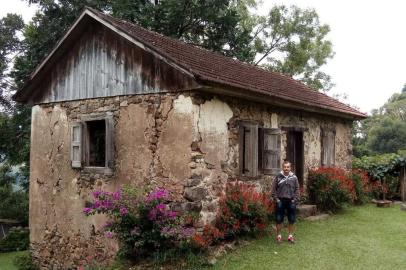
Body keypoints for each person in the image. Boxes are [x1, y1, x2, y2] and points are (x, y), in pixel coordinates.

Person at [271, 160, 300, 243]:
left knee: (292, 219)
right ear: (282, 167)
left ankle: (290, 236)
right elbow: (273, 189)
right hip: (280, 200)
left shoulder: (294, 177)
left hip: (291, 201)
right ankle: (279, 236)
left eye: (288, 167)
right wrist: (276, 199)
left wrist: (295, 199)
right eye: (285, 167)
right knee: (279, 219)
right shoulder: (278, 176)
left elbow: (297, 189)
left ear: (290, 168)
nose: (286, 168)